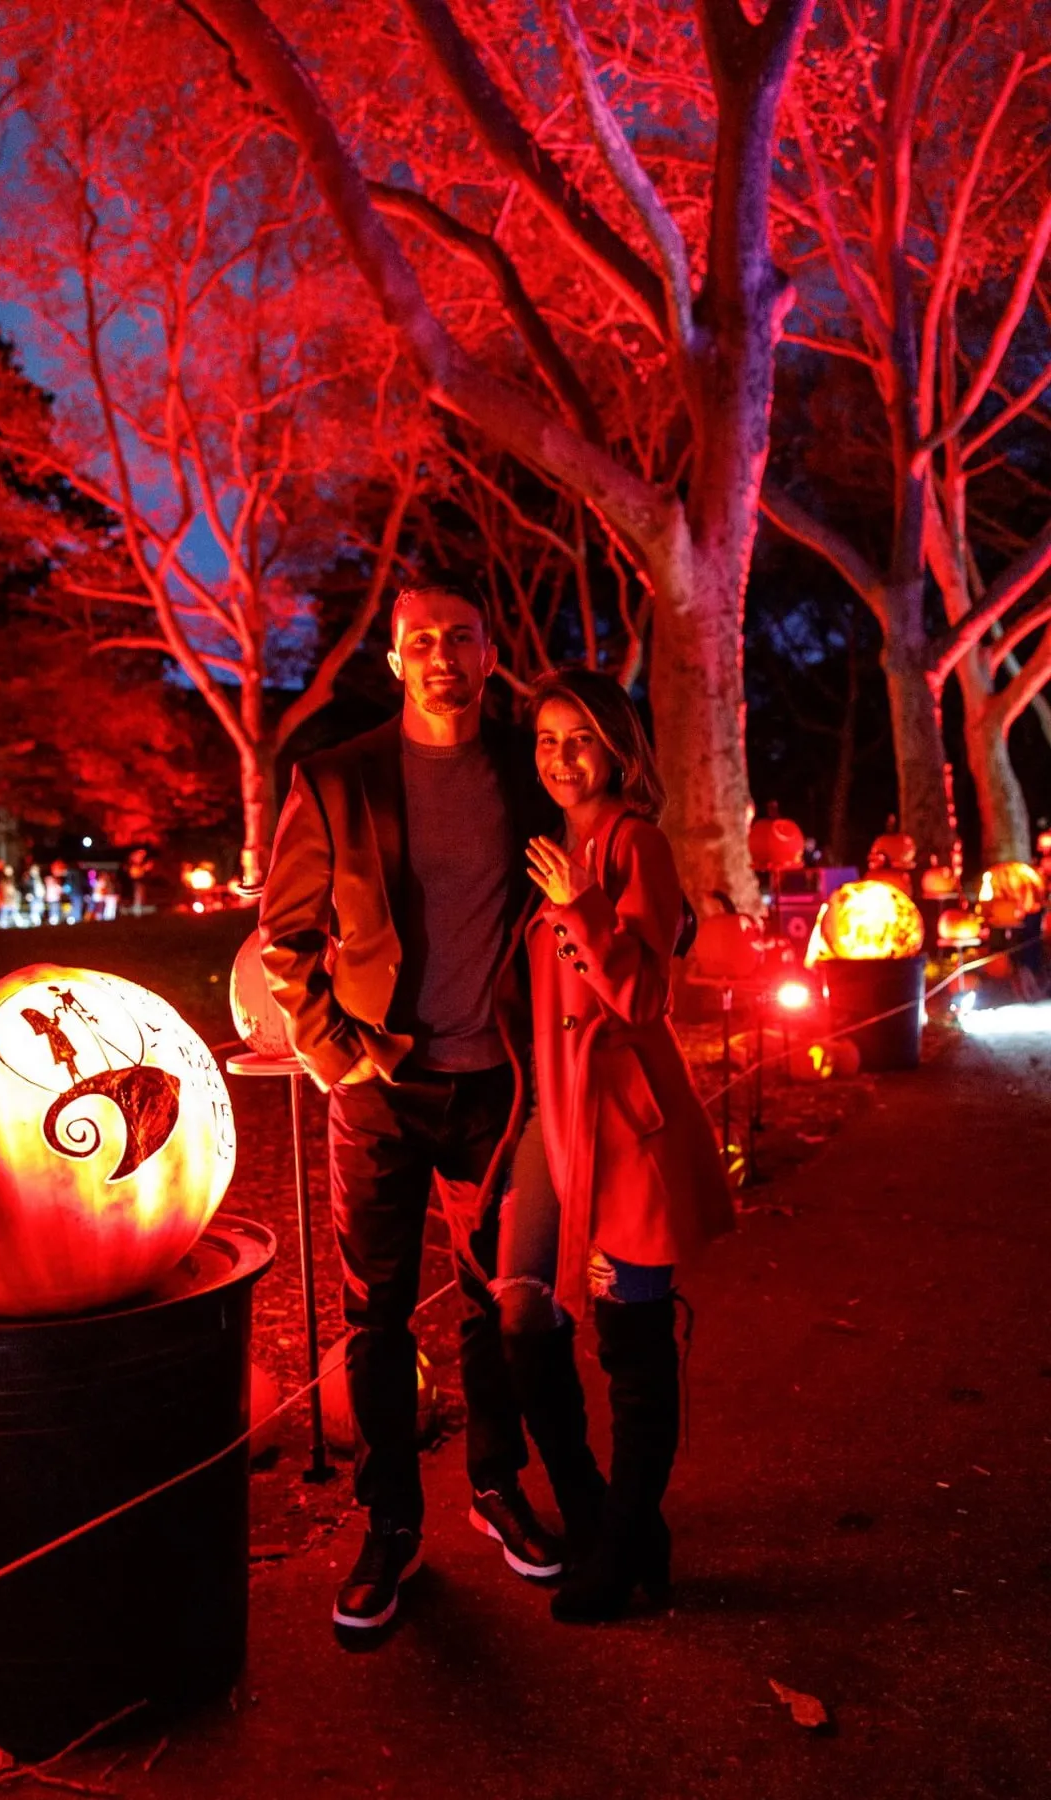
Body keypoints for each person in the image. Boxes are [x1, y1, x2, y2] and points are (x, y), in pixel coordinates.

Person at [258, 573, 559, 1637]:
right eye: (421, 640)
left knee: (495, 1303)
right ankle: (390, 1523)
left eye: (461, 637)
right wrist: (334, 1054)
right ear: (395, 661)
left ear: (489, 654)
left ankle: (495, 1484)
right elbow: (284, 936)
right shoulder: (336, 778)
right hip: (379, 1087)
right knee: (374, 1316)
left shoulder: (529, 768)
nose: (442, 655)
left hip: (499, 1084)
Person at [495, 668, 734, 1624]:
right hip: (550, 1119)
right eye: (547, 740)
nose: (562, 757)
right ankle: (599, 1513)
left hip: (624, 1126)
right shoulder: (550, 843)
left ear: (617, 749)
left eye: (581, 738)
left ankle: (626, 1540)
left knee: (630, 1344)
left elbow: (641, 998)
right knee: (523, 1313)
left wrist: (584, 902)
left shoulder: (637, 843)